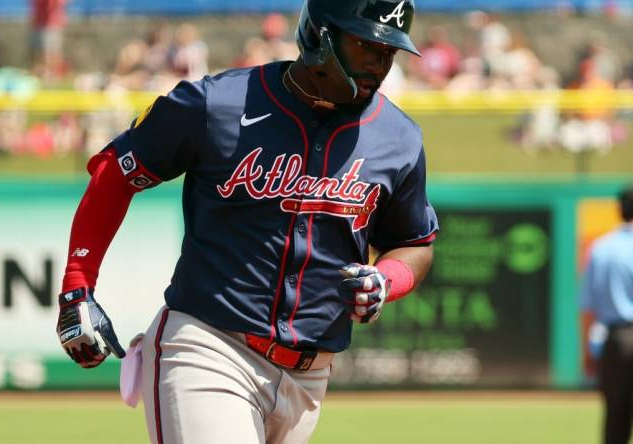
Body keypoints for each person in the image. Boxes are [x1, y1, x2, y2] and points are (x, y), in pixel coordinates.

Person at [55, 1, 438, 443]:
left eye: (388, 51)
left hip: (309, 379)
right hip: (208, 346)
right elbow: (115, 172)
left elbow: (415, 242)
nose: (379, 62)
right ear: (321, 36)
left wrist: (387, 280)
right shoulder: (217, 103)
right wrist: (77, 287)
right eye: (364, 45)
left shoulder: (399, 138)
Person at [581, 186, 633, 444]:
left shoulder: (601, 249)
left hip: (616, 339)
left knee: (616, 420)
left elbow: (588, 309)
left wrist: (587, 350)